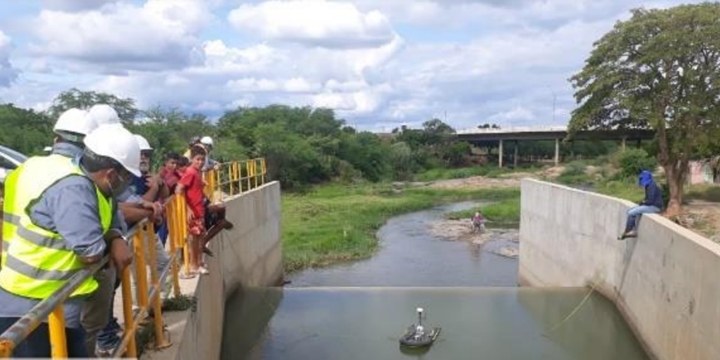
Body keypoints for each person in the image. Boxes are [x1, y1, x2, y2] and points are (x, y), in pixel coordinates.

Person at [0, 124, 137, 358]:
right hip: (29, 300)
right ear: (112, 174)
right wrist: (112, 244)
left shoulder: (92, 187)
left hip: (55, 298)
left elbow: (109, 220)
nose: (126, 183)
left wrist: (115, 236)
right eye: (126, 176)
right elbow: (90, 251)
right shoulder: (74, 190)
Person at [176, 145, 208, 275]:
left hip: (199, 210)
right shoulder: (190, 172)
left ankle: (198, 262)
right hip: (193, 212)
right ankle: (194, 265)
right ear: (192, 159)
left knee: (200, 237)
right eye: (197, 159)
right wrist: (188, 209)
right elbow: (179, 189)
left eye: (202, 160)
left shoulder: (197, 172)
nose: (200, 162)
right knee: (194, 239)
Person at [619, 170, 664, 240]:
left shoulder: (651, 186)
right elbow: (648, 199)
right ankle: (630, 230)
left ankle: (629, 231)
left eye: (641, 178)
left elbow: (650, 200)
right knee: (630, 210)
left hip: (655, 207)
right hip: (652, 205)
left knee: (631, 213)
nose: (640, 180)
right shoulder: (649, 185)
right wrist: (642, 202)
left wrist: (643, 203)